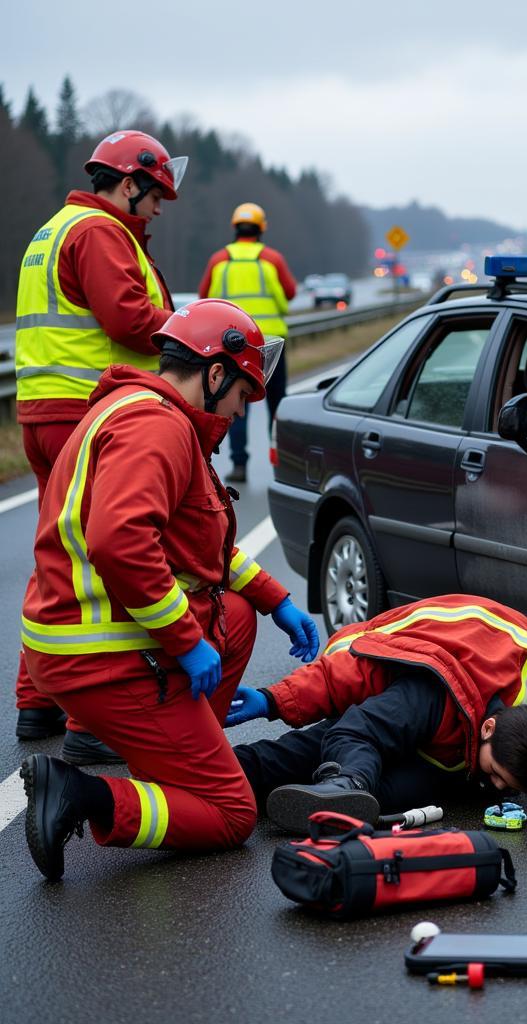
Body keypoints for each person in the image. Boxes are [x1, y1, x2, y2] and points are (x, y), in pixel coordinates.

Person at [18, 299, 321, 881]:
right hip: (99, 654)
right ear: (213, 373)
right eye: (240, 397)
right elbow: (120, 542)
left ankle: (181, 769)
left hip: (89, 641)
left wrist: (275, 599)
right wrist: (184, 641)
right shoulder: (159, 428)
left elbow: (194, 547)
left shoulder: (148, 413)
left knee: (236, 613)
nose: (239, 413)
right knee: (233, 814)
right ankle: (82, 795)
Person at [13, 129, 185, 762]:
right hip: (86, 415)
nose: (159, 210)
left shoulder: (54, 229)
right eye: (155, 196)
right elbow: (129, 321)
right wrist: (190, 330)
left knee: (58, 554)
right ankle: (94, 723)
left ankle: (37, 702)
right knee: (102, 561)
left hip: (42, 413)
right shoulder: (100, 233)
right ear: (129, 183)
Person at [225, 594, 527, 829]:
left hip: (442, 747)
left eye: (503, 783)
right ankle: (334, 785)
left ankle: (331, 802)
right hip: (388, 675)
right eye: (496, 773)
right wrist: (274, 699)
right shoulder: (427, 686)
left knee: (391, 793)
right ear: (489, 727)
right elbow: (344, 677)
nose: (494, 787)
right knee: (334, 745)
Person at [198, 202, 296, 484]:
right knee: (276, 404)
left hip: (233, 346)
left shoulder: (219, 260)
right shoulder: (272, 258)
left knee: (235, 405)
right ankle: (280, 462)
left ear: (234, 227)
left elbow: (204, 295)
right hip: (270, 345)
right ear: (261, 228)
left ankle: (239, 465)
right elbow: (289, 293)